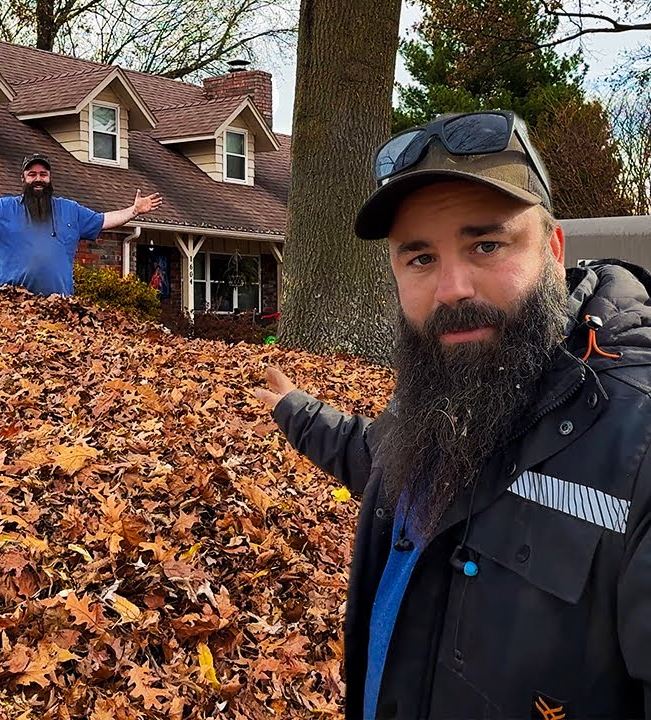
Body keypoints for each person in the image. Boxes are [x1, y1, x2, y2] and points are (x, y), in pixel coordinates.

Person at [254, 110, 651, 719]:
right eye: (420, 258)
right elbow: (378, 459)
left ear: (552, 249)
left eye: (485, 244)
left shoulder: (637, 443)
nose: (451, 289)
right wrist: (294, 410)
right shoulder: (450, 393)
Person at [0, 153, 162, 296]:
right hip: (12, 305)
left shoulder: (70, 210)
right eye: (32, 174)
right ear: (23, 178)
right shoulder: (4, 209)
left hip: (60, 307)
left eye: (43, 174)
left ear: (49, 178)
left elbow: (104, 220)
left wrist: (134, 211)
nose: (38, 179)